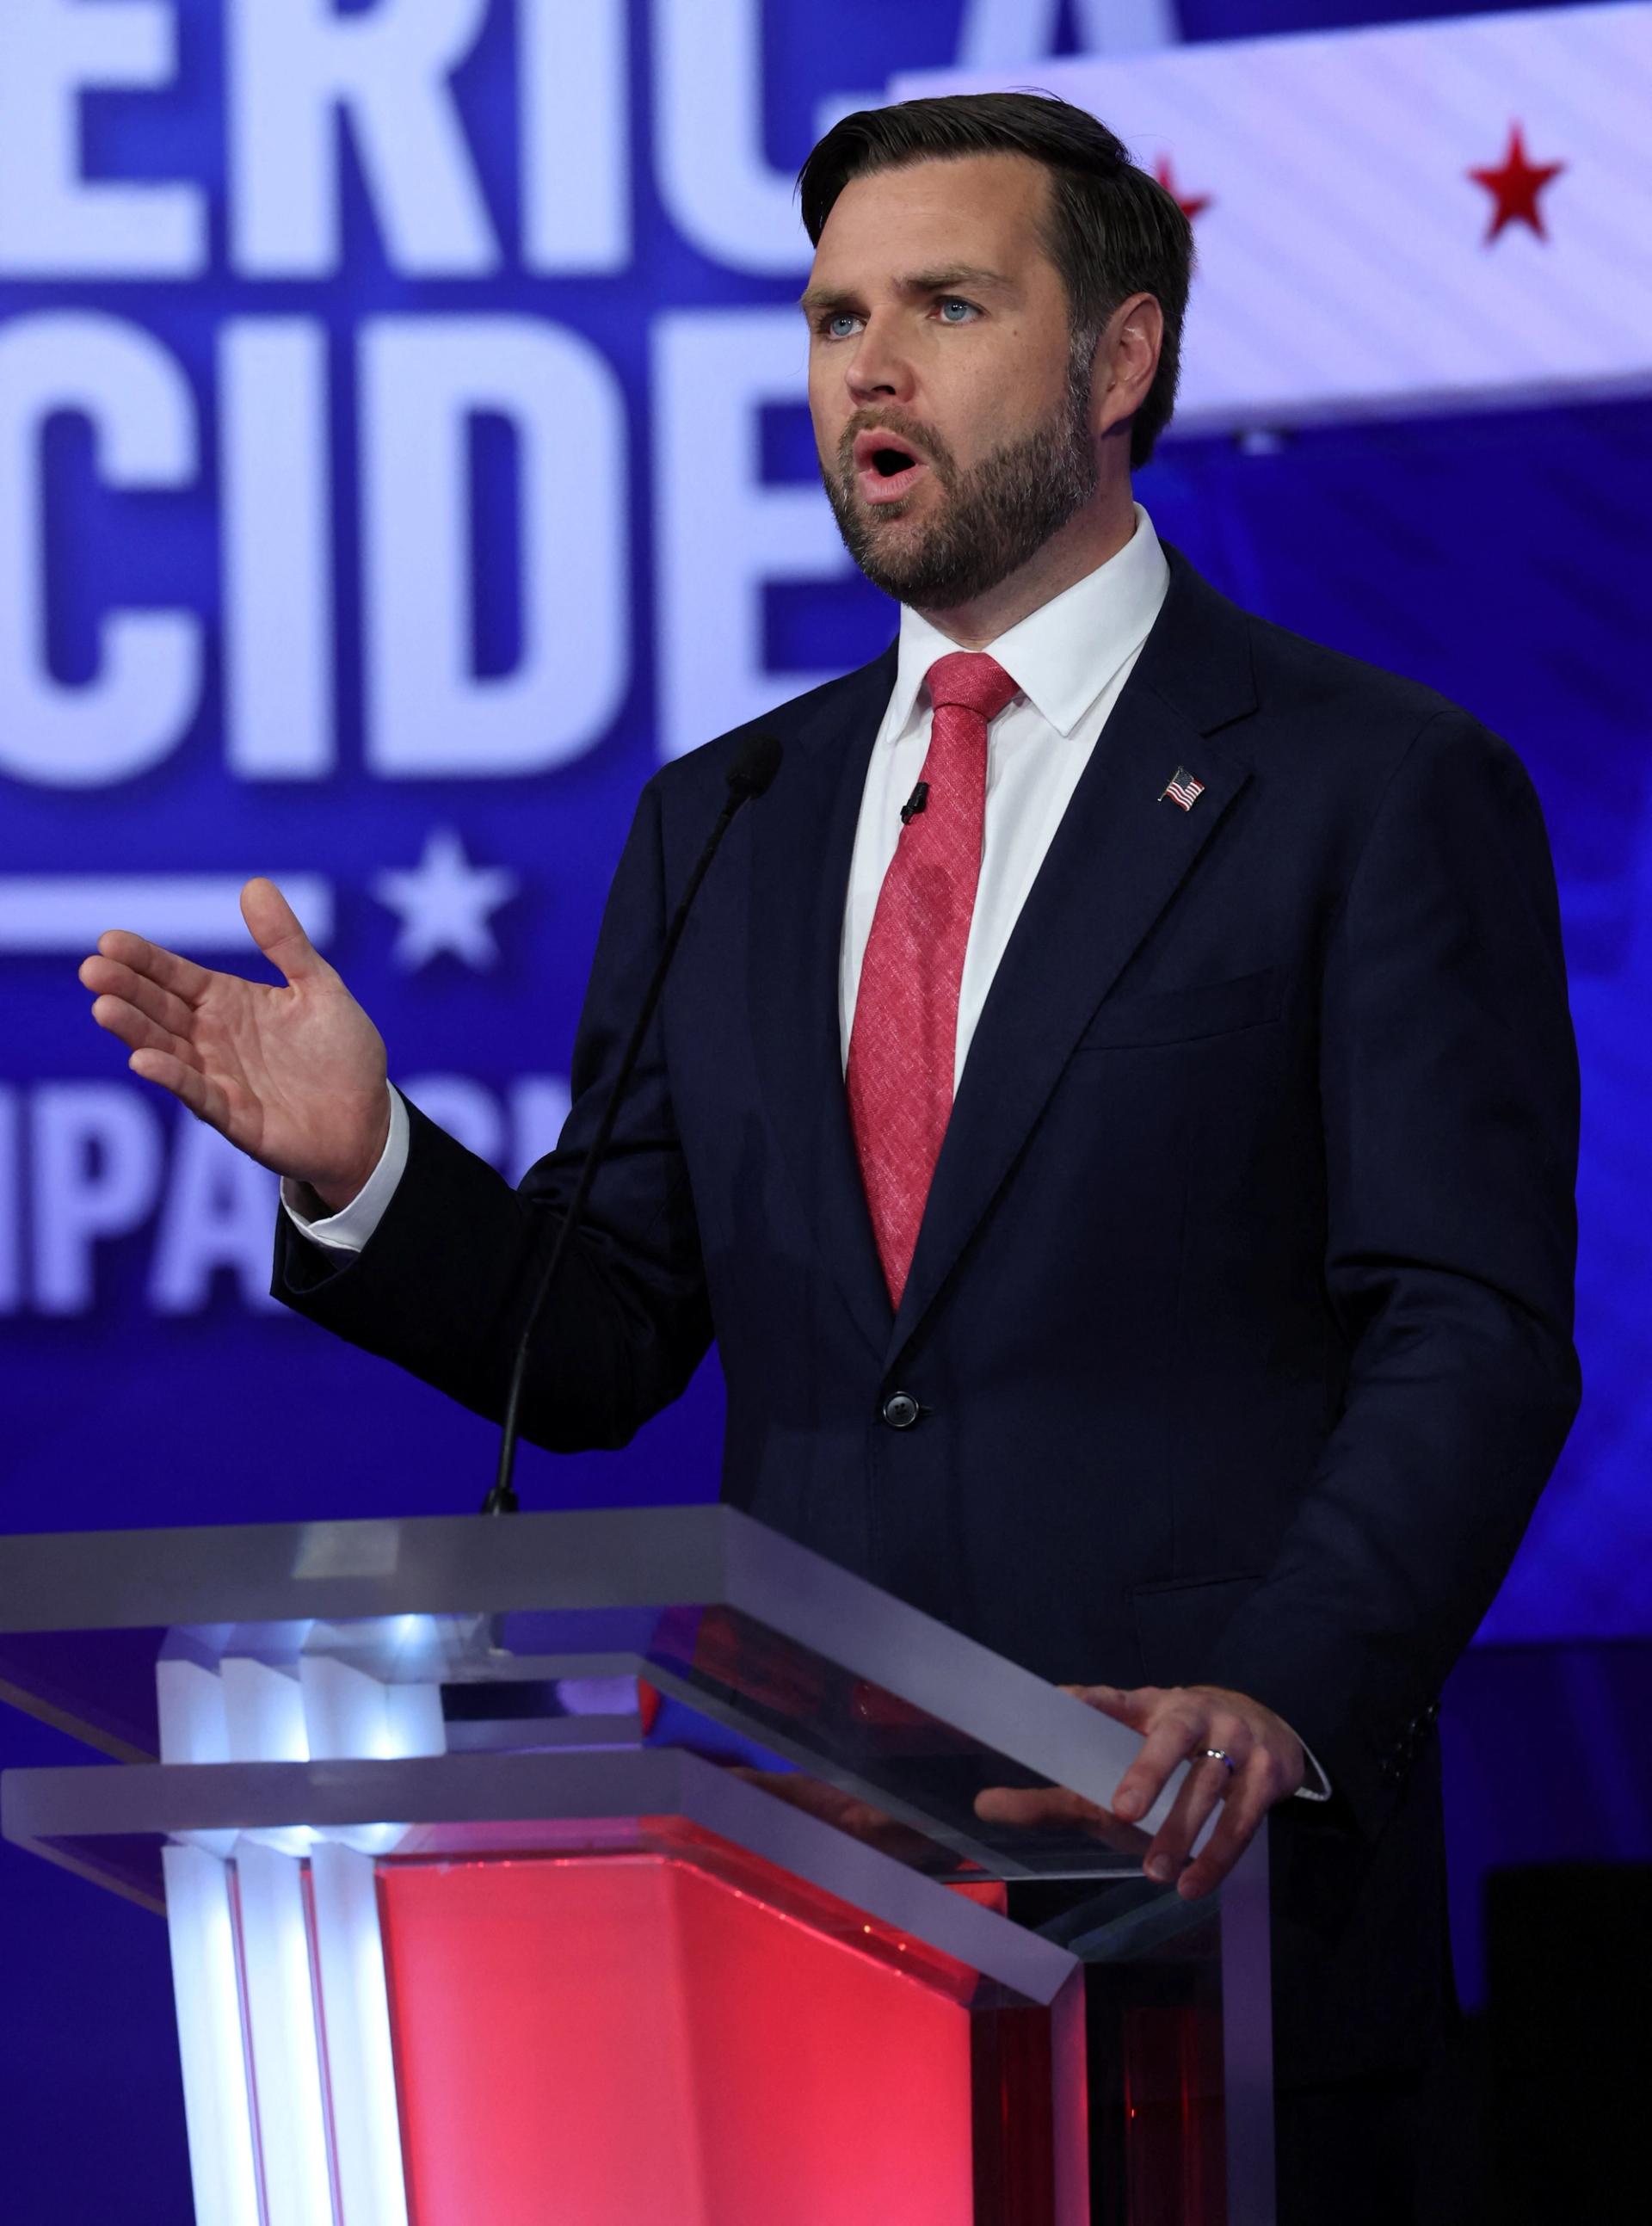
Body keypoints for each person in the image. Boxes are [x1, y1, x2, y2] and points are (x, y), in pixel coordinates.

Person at [81, 93, 1578, 2221]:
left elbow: (1472, 1326)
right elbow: (602, 1338)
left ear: (1118, 359)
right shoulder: (731, 823)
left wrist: (1276, 1695)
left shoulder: (1370, 786)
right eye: (833, 316)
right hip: (807, 1928)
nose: (866, 368)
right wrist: (370, 1168)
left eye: (946, 306)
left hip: (1206, 1937)